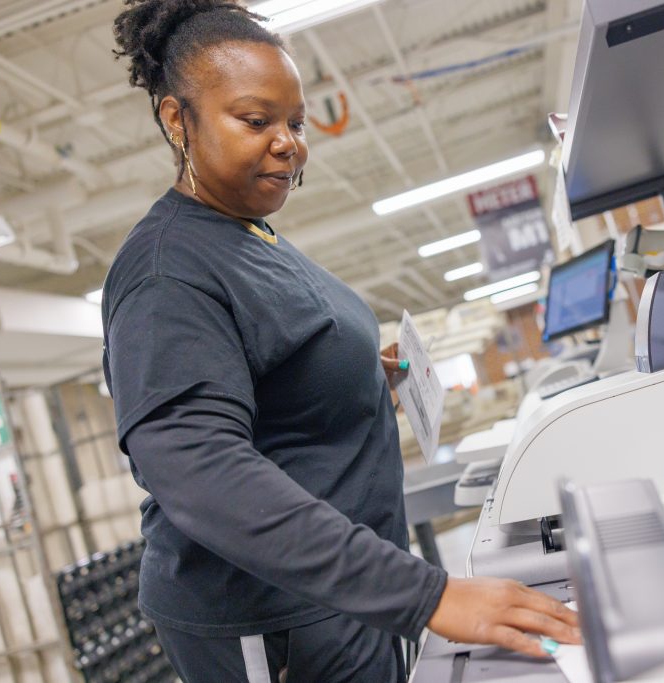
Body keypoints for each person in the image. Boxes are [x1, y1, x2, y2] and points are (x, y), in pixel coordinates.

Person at [104, 1, 580, 681]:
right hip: (272, 626)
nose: (288, 142)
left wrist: (357, 376)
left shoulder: (250, 237)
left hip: (339, 599)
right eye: (255, 120)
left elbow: (276, 374)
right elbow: (201, 472)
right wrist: (429, 594)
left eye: (295, 123)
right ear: (178, 119)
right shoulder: (166, 271)